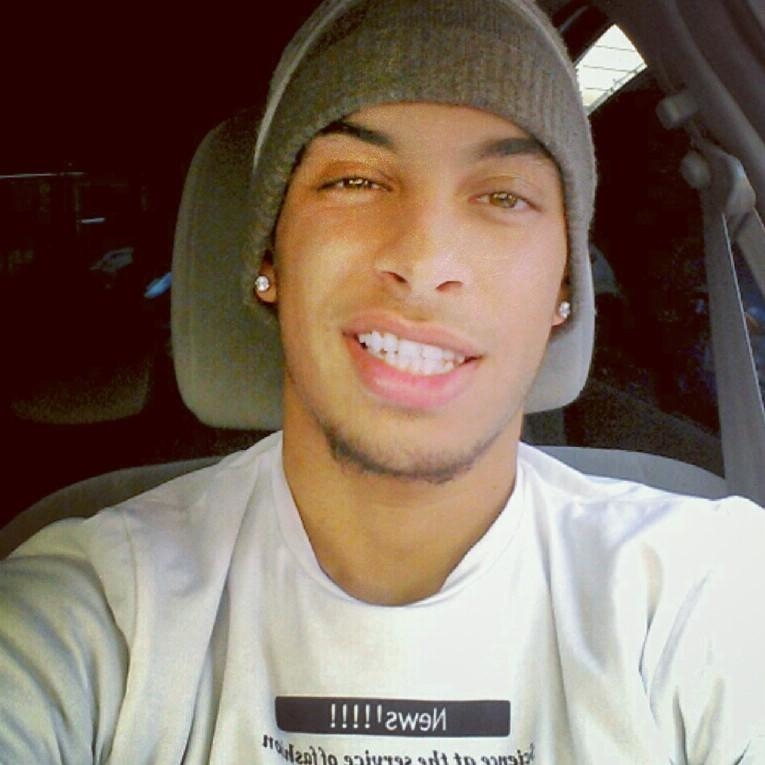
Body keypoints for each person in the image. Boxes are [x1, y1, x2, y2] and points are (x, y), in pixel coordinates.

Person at [1, 0, 764, 762]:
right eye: (356, 181)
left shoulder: (705, 586)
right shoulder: (100, 606)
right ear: (269, 257)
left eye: (503, 196)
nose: (425, 261)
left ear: (564, 288)